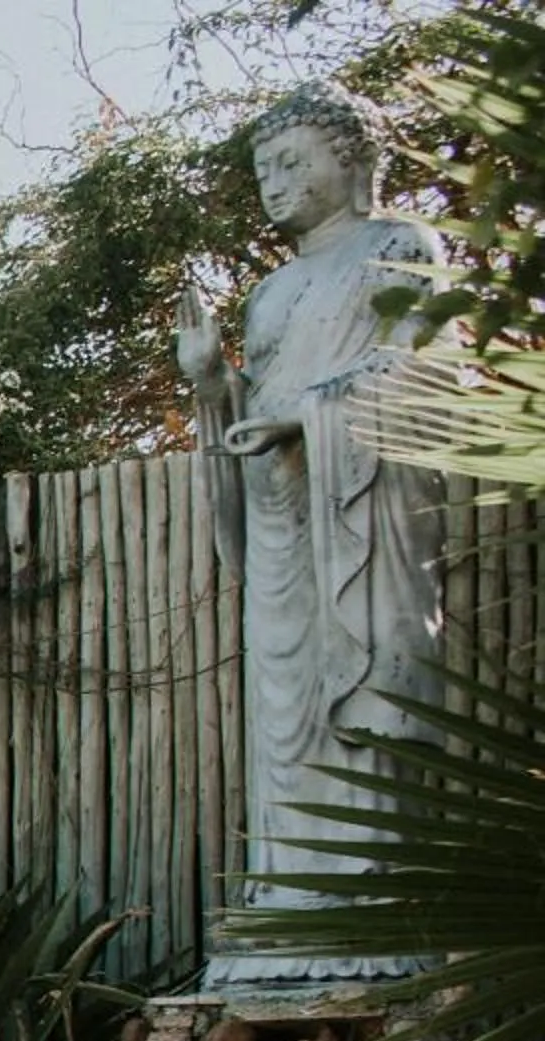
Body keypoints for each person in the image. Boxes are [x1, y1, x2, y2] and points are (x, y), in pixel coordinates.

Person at [176, 79, 444, 985]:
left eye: (293, 161)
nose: (276, 182)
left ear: (351, 157)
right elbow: (257, 403)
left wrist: (306, 420)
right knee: (283, 719)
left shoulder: (398, 247)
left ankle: (374, 901)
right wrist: (214, 385)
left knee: (368, 690)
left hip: (362, 512)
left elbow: (417, 373)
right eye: (264, 169)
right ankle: (293, 896)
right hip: (284, 519)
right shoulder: (271, 292)